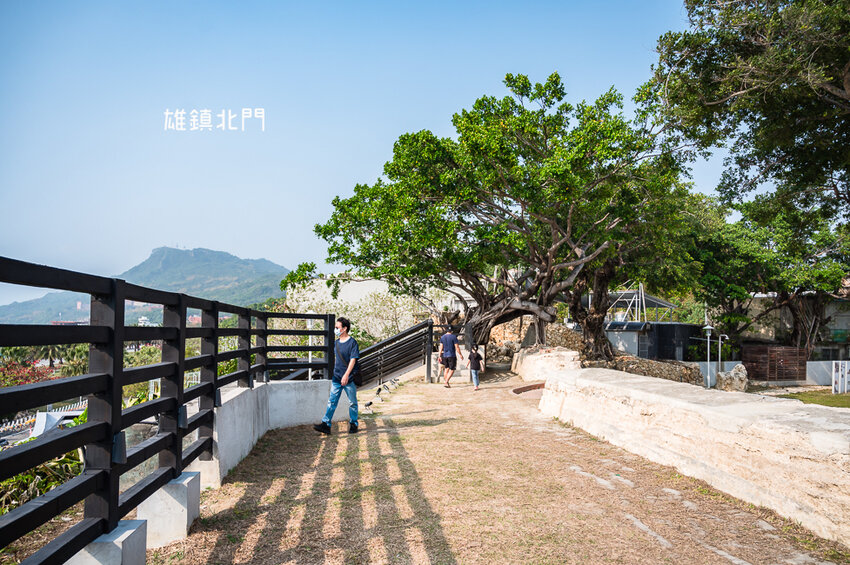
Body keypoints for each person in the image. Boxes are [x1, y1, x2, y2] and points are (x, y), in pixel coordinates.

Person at [313, 316, 359, 435]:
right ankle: (326, 424)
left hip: (349, 378)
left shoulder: (352, 343)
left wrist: (346, 375)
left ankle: (354, 423)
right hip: (337, 377)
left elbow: (353, 360)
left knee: (352, 402)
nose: (335, 329)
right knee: (332, 402)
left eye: (337, 327)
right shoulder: (336, 343)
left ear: (344, 328)